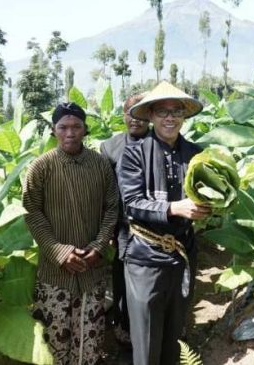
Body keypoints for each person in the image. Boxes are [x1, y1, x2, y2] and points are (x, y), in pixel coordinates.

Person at [118, 81, 210, 365]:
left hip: (182, 254)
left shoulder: (197, 154)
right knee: (146, 341)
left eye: (176, 111)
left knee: (175, 334)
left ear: (184, 115)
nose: (169, 117)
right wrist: (173, 207)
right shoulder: (134, 153)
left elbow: (210, 191)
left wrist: (211, 206)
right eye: (162, 112)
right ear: (151, 116)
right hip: (145, 258)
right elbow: (131, 202)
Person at [23, 102, 119, 365]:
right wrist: (60, 252)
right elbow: (31, 212)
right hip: (55, 273)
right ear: (54, 130)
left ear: (85, 129)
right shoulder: (40, 167)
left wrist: (99, 247)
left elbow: (112, 207)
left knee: (90, 340)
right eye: (63, 127)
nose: (70, 133)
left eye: (76, 126)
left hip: (92, 269)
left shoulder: (100, 165)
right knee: (53, 340)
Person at [99, 93, 148, 346]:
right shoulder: (110, 147)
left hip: (155, 228)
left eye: (140, 114)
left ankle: (150, 328)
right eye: (130, 113)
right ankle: (123, 327)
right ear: (123, 116)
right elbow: (107, 194)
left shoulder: (159, 142)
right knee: (122, 278)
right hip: (123, 227)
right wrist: (107, 231)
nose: (135, 120)